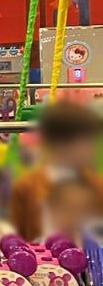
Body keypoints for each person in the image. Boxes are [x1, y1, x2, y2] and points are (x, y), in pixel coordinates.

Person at [10, 102, 102, 240]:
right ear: (61, 145)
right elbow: (18, 238)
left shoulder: (97, 186)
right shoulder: (27, 188)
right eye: (88, 143)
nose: (93, 150)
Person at [42, 175, 103, 247]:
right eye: (67, 209)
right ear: (52, 210)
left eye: (82, 211)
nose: (74, 217)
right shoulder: (39, 247)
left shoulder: (96, 247)